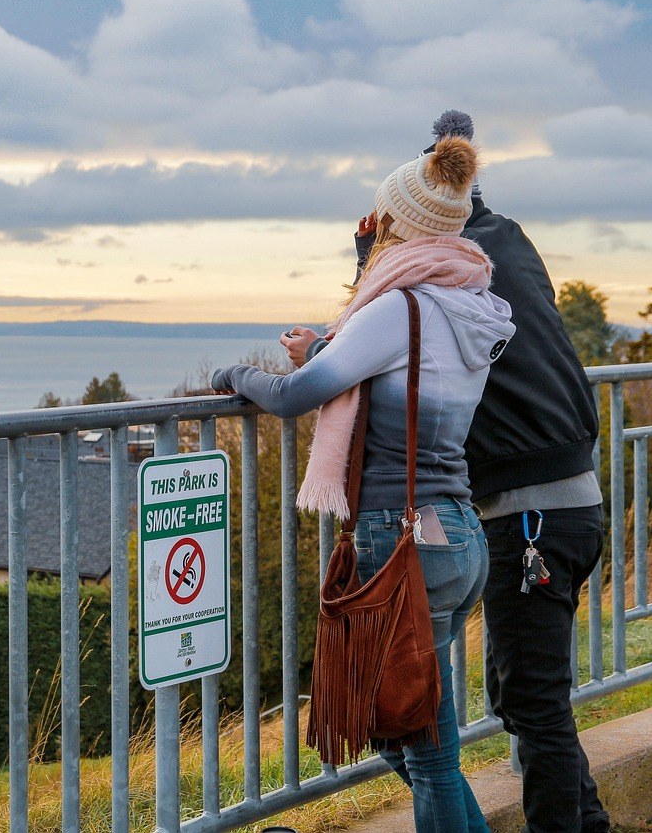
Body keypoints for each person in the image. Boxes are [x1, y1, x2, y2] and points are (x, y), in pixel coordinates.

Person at [285, 111, 610, 833]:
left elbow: (383, 344)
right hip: (563, 500)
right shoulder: (504, 251)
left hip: (525, 512)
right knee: (525, 701)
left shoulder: (445, 277)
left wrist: (365, 263)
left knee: (528, 705)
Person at [212, 135, 514, 833]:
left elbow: (295, 395)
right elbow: (398, 377)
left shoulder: (400, 307)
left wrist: (238, 377)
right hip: (457, 534)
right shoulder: (472, 304)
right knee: (398, 730)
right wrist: (325, 346)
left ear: (394, 224)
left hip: (400, 536)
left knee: (426, 750)